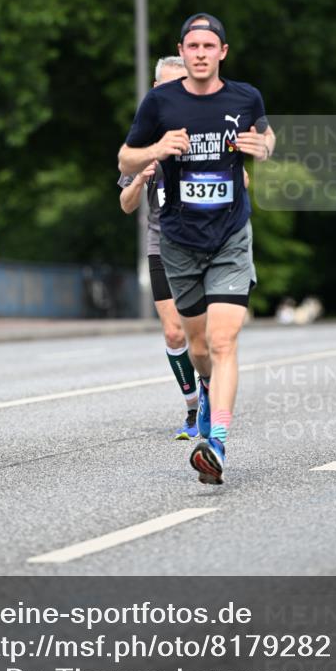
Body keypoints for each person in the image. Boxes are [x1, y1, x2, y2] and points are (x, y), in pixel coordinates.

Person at [119, 13, 275, 484]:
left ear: (222, 52)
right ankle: (203, 389)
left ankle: (218, 443)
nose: (202, 53)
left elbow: (265, 135)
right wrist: (157, 148)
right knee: (198, 345)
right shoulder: (160, 102)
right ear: (182, 52)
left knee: (225, 340)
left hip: (229, 235)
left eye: (210, 46)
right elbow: (125, 158)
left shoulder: (245, 97)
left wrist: (264, 147)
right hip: (179, 242)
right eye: (193, 46)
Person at [119, 56, 200, 439]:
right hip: (161, 242)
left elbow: (243, 182)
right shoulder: (142, 140)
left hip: (203, 243)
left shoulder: (205, 130)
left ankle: (213, 394)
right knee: (173, 334)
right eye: (166, 87)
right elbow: (126, 203)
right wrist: (140, 179)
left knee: (202, 335)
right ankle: (192, 408)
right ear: (155, 90)